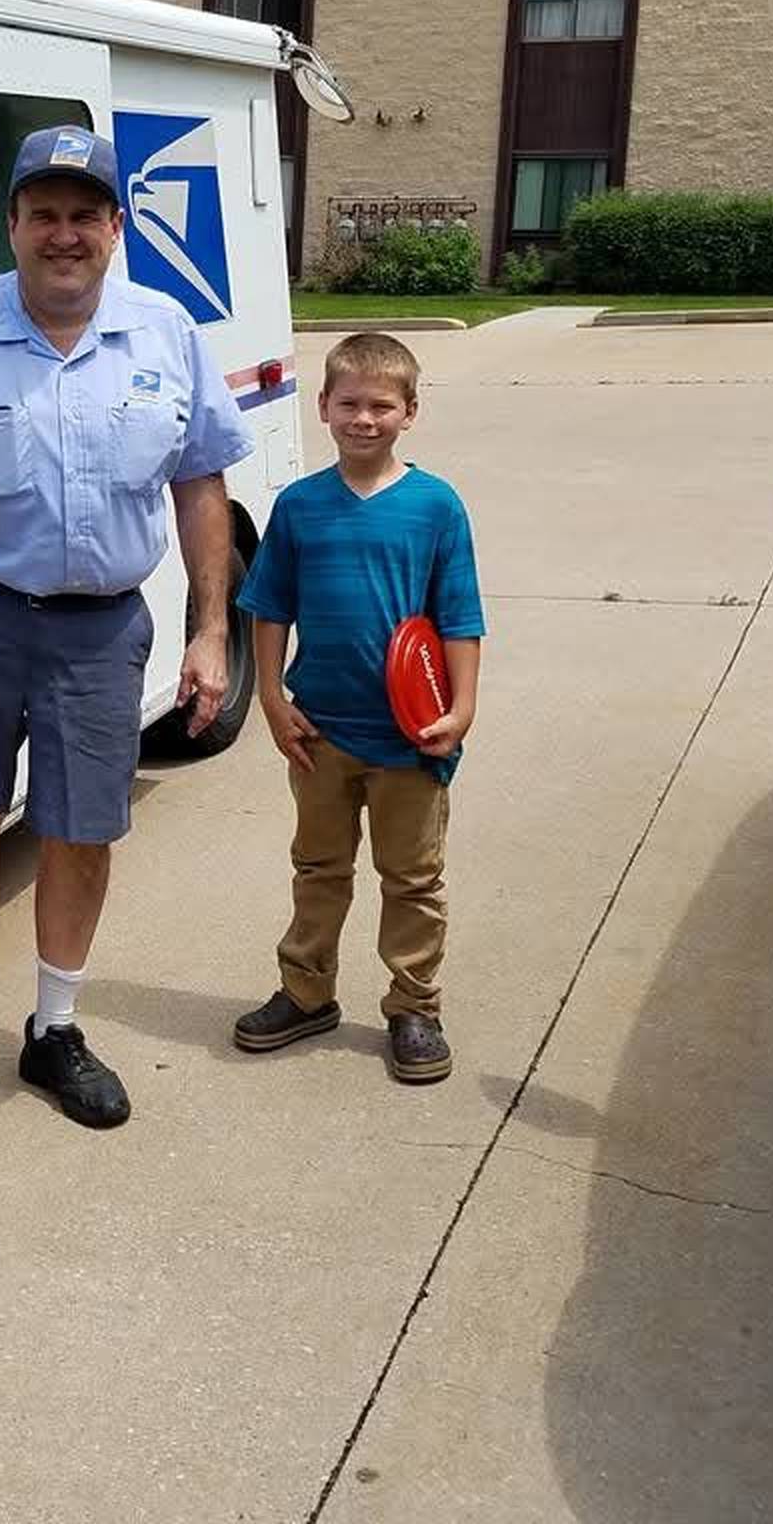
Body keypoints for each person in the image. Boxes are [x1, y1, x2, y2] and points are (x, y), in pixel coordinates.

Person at [0, 125, 252, 1141]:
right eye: (43, 214)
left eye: (84, 214)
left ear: (117, 227)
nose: (63, 234)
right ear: (15, 225)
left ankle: (56, 1029)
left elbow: (201, 480)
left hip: (101, 628)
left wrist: (212, 629)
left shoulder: (166, 331)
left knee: (82, 829)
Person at [232, 332, 484, 1083]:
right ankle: (306, 993)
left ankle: (414, 1008)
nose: (364, 419)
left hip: (410, 738)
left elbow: (461, 617)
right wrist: (273, 699)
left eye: (382, 405)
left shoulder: (436, 508)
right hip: (321, 732)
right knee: (318, 866)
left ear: (411, 412)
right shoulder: (301, 506)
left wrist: (461, 711)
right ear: (323, 409)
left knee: (411, 878)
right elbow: (269, 607)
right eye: (350, 404)